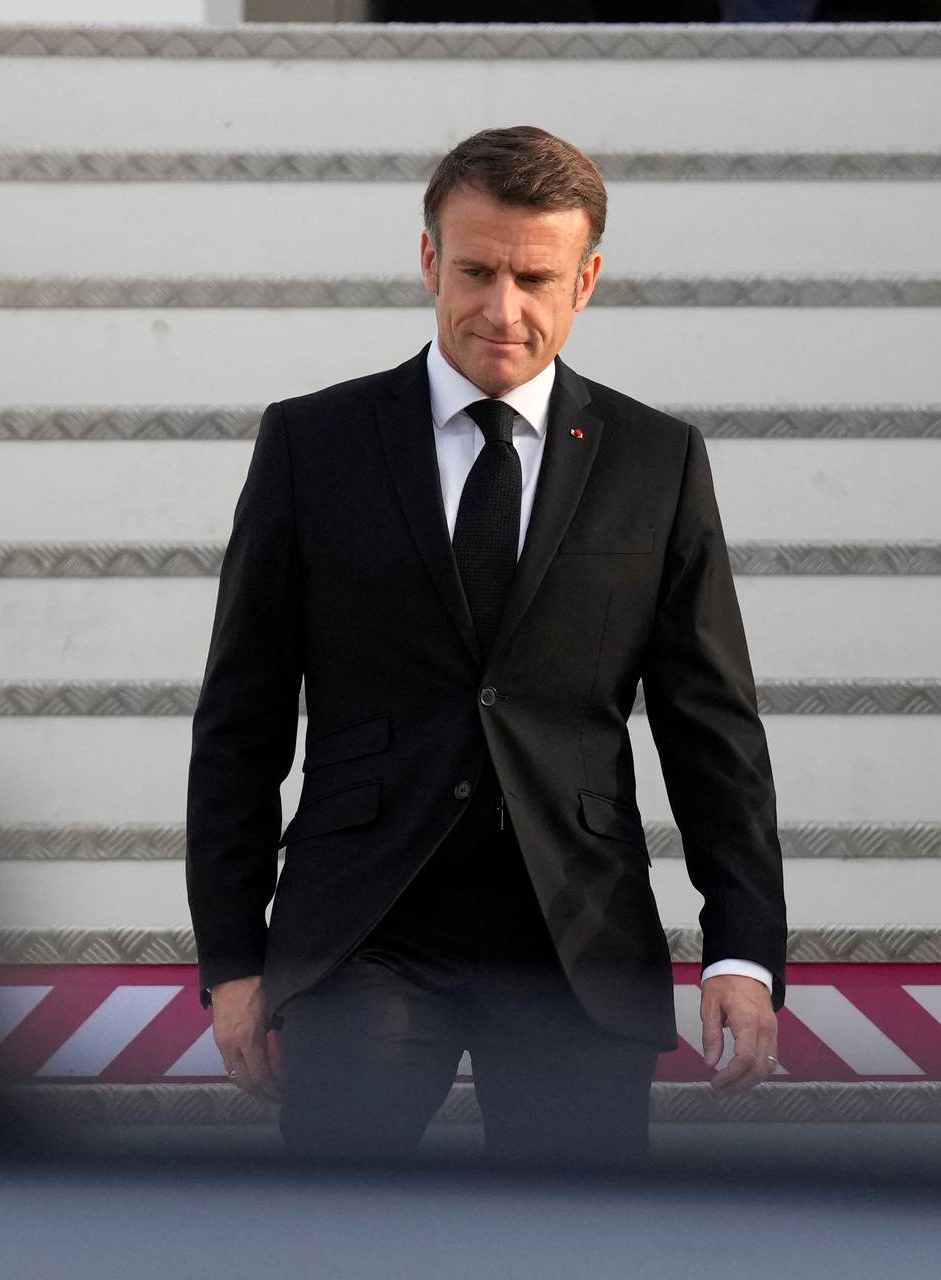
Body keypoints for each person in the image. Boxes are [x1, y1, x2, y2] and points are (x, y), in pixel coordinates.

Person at [184, 125, 788, 1166]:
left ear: (586, 280)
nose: (500, 309)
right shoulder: (311, 443)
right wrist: (233, 956)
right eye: (474, 270)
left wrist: (742, 943)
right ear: (429, 260)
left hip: (577, 938)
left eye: (533, 277)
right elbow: (240, 721)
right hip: (364, 930)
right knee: (334, 1240)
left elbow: (711, 726)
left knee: (580, 1244)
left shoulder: (659, 459)